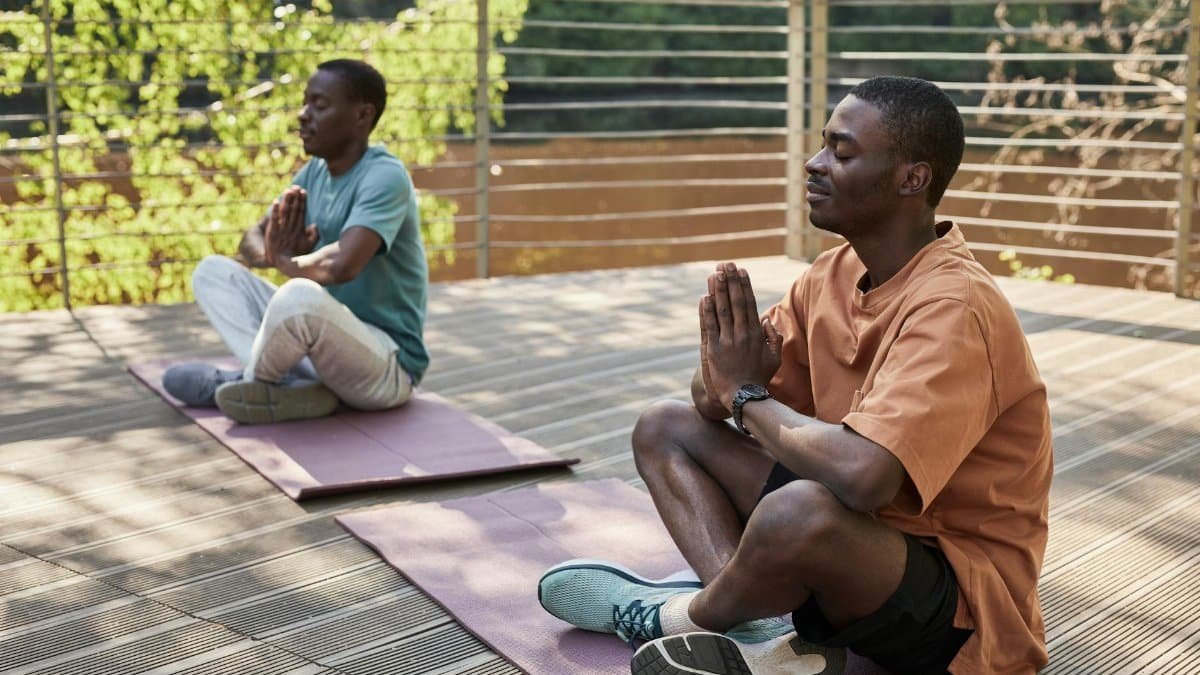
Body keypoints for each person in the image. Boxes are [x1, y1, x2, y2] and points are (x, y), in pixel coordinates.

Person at [538, 76, 1052, 675]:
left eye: (843, 151)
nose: (815, 163)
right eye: (822, 145)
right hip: (860, 540)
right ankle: (763, 628)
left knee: (799, 511)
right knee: (664, 427)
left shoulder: (956, 307)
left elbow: (864, 479)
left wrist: (744, 395)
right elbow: (714, 396)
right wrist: (726, 378)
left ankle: (678, 617)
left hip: (960, 607)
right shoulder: (832, 272)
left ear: (912, 178)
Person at [163, 59, 429, 425]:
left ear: (362, 116)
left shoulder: (385, 176)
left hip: (385, 368)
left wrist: (291, 264)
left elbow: (344, 263)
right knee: (214, 272)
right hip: (323, 352)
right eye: (305, 104)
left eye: (319, 106)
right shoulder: (315, 172)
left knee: (298, 296)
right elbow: (252, 239)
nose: (303, 116)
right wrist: (275, 253)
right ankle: (285, 385)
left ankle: (250, 383)